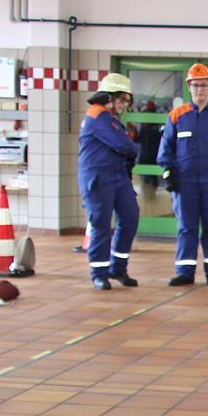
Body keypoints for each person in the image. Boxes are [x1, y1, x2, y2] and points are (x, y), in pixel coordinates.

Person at [157, 63, 208, 288]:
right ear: (189, 87)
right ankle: (185, 271)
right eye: (195, 86)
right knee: (186, 227)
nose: (199, 91)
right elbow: (166, 148)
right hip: (185, 183)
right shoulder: (176, 116)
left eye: (203, 86)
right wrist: (168, 173)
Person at [78, 73, 140, 290]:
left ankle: (118, 268)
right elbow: (124, 146)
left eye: (127, 100)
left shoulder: (111, 119)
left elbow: (125, 146)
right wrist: (133, 148)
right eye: (121, 99)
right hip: (97, 176)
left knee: (130, 217)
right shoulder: (98, 115)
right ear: (109, 97)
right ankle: (99, 273)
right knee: (101, 224)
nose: (125, 104)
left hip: (117, 175)